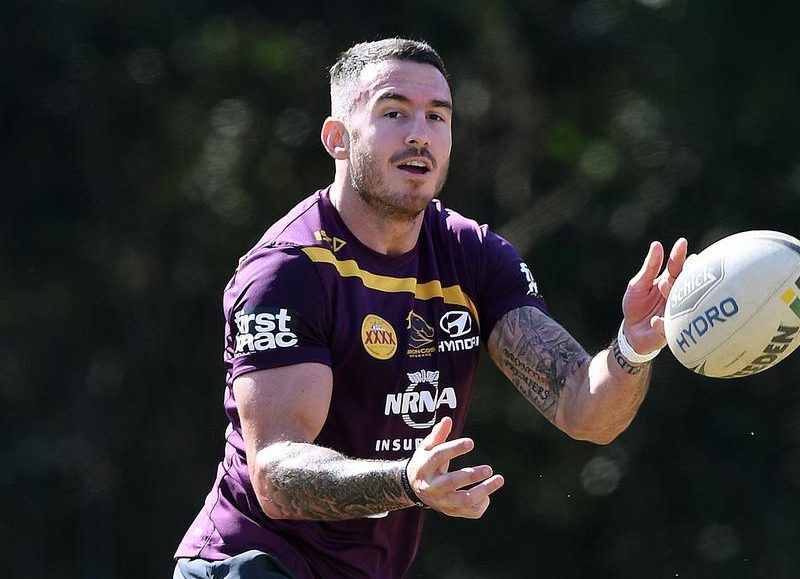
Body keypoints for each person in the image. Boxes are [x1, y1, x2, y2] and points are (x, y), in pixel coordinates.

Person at [173, 37, 688, 579]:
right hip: (251, 563)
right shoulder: (290, 269)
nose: (420, 133)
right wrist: (404, 481)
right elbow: (276, 477)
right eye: (394, 113)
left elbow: (585, 411)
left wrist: (633, 346)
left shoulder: (472, 255)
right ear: (338, 139)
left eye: (437, 116)